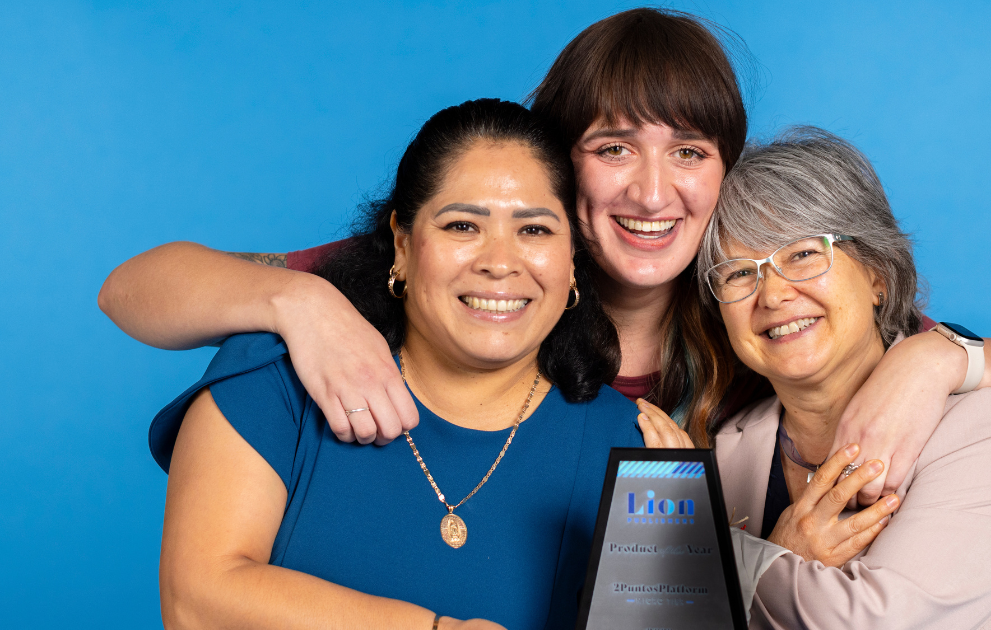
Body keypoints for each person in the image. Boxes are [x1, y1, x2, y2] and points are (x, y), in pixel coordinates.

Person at [98, 8, 991, 505]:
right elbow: (134, 292)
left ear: (726, 172)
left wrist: (944, 358)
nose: (651, 190)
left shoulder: (766, 313)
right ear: (558, 165)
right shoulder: (475, 280)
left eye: (689, 152)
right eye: (611, 148)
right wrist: (297, 304)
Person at [153, 99, 643, 629]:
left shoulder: (629, 444)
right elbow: (196, 603)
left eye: (535, 231)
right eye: (461, 226)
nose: (500, 262)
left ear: (573, 260)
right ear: (403, 246)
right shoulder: (275, 377)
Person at [675, 127, 991, 628]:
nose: (772, 295)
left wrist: (701, 546)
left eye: (804, 253)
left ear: (877, 273)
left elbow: (870, 620)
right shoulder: (719, 450)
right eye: (740, 273)